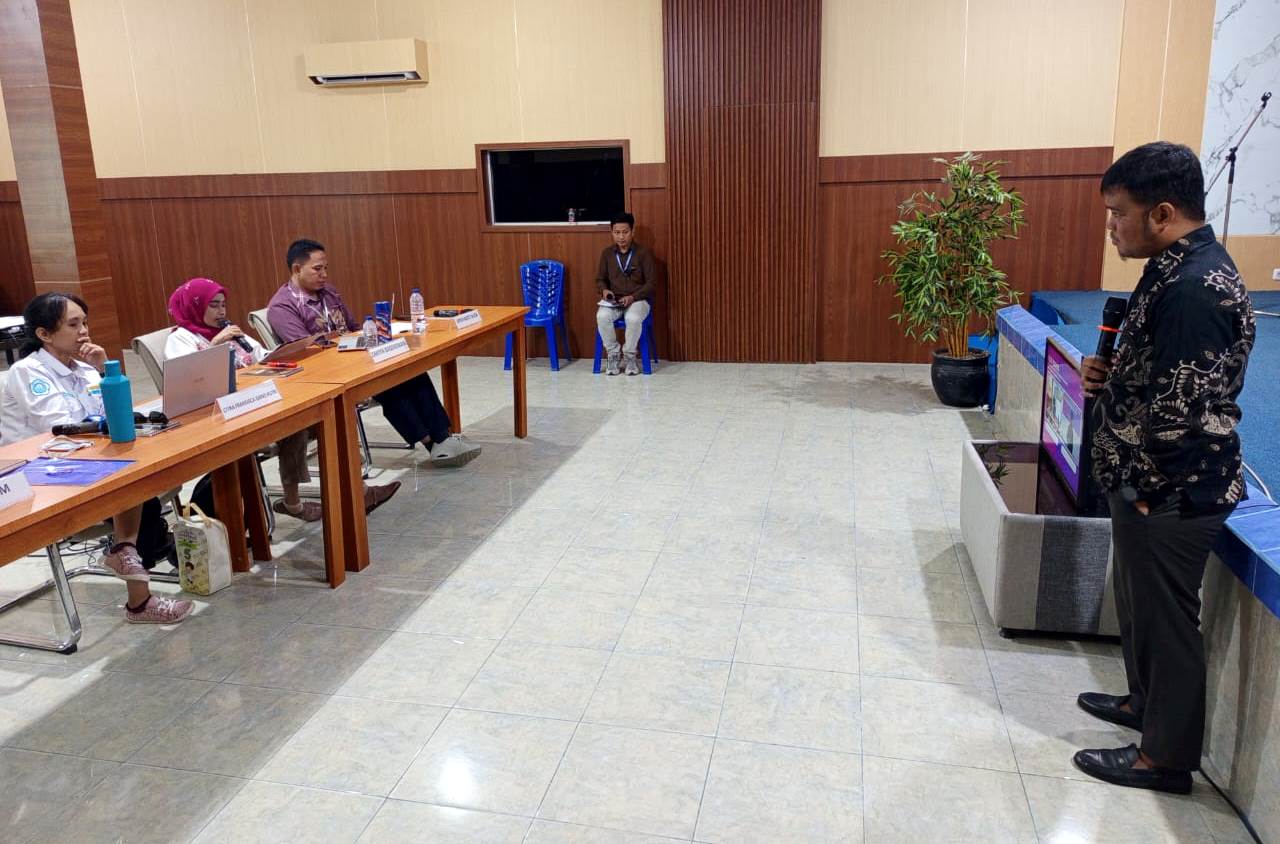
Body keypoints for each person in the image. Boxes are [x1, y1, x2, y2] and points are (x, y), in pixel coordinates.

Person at [1074, 141, 1255, 794]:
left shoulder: (1196, 288)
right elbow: (1157, 369)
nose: (1111, 226)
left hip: (1173, 488)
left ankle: (1164, 759)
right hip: (1145, 480)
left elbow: (1187, 407)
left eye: (1119, 213)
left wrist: (1150, 491)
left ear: (1163, 213)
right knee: (1140, 606)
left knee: (1169, 622)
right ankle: (1142, 704)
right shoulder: (1170, 268)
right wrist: (1109, 374)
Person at [0, 293, 193, 624]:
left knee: (141, 483)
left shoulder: (86, 368)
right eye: (73, 324)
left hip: (85, 459)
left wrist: (105, 370)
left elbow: (115, 415)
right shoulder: (27, 371)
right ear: (44, 334)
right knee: (136, 489)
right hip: (37, 472)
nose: (84, 331)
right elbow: (59, 427)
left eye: (85, 323)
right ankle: (136, 593)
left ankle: (125, 555)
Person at [164, 277, 399, 521]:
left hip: (255, 399)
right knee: (298, 422)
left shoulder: (230, 331)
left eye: (223, 305)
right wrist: (216, 344)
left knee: (330, 413)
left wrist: (283, 355)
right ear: (195, 306)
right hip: (221, 415)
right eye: (213, 305)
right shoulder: (180, 338)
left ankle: (355, 492)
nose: (221, 311)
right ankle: (298, 503)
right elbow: (191, 380)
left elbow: (261, 356)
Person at [267, 239, 481, 466]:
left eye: (326, 268)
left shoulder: (329, 293)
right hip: (329, 374)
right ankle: (432, 443)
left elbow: (352, 326)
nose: (324, 275)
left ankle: (443, 438)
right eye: (317, 269)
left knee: (409, 369)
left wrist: (372, 337)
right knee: (388, 382)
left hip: (356, 357)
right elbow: (309, 351)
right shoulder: (282, 307)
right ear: (297, 269)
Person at [595, 212, 657, 375]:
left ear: (632, 231)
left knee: (633, 319)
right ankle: (613, 355)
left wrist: (633, 297)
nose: (621, 237)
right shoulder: (607, 254)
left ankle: (630, 357)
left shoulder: (643, 253)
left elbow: (651, 284)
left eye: (625, 232)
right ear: (612, 232)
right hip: (614, 301)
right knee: (602, 316)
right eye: (617, 232)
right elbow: (600, 280)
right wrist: (604, 290)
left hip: (638, 300)